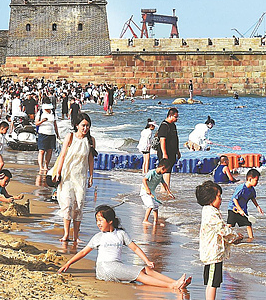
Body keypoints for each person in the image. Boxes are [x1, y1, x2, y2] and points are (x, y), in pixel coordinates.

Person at [58, 204, 191, 289]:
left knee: (146, 269)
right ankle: (172, 286)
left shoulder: (121, 234)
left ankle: (176, 281)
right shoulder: (99, 237)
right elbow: (83, 253)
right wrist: (68, 263)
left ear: (110, 221)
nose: (98, 224)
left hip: (117, 266)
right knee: (139, 275)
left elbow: (135, 248)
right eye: (97, 221)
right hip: (105, 269)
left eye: (100, 220)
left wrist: (147, 261)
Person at [51, 112, 95, 243]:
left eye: (87, 126)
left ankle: (76, 236)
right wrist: (58, 173)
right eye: (83, 125)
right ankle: (66, 234)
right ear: (77, 125)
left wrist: (91, 176)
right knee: (68, 204)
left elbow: (91, 159)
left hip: (81, 176)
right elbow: (63, 155)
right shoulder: (70, 137)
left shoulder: (91, 140)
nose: (85, 128)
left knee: (79, 205)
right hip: (67, 175)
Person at [196, 180, 243, 300]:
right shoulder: (211, 213)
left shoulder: (209, 211)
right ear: (210, 199)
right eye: (219, 196)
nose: (221, 199)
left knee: (213, 282)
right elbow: (222, 230)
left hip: (213, 252)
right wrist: (235, 237)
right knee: (213, 282)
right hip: (213, 254)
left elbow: (220, 228)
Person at [228, 168, 264, 240]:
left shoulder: (251, 189)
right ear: (250, 179)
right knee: (230, 224)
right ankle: (223, 235)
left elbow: (252, 198)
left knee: (248, 224)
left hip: (243, 210)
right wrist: (240, 210)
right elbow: (234, 199)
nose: (257, 182)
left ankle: (251, 238)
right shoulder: (241, 188)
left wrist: (258, 207)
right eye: (256, 180)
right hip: (234, 209)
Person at [141, 158, 175, 226]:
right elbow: (144, 180)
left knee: (156, 206)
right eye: (166, 170)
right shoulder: (152, 172)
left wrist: (169, 193)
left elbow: (164, 184)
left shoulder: (160, 175)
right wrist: (147, 189)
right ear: (162, 168)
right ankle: (145, 220)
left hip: (152, 192)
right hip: (145, 191)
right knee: (151, 205)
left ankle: (155, 221)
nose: (166, 172)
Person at [156, 108, 180, 189]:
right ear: (170, 116)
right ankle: (164, 189)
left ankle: (166, 189)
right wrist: (164, 154)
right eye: (175, 117)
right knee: (165, 170)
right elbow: (162, 140)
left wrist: (178, 151)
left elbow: (175, 139)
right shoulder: (164, 126)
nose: (177, 119)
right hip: (165, 152)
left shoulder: (173, 125)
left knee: (169, 170)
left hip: (172, 152)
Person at [36, 101, 60, 173]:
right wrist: (42, 121)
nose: (48, 110)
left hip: (51, 134)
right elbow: (36, 123)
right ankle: (41, 166)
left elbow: (55, 124)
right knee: (41, 151)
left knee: (49, 151)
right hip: (42, 133)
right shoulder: (40, 112)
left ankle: (46, 165)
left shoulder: (53, 112)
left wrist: (57, 134)